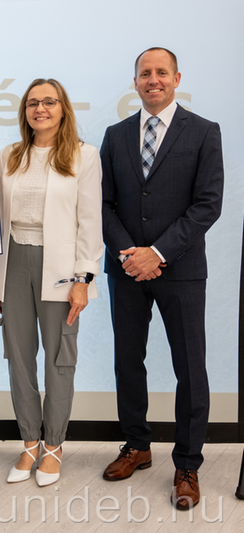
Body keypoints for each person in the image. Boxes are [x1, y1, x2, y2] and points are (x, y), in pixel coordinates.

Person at [100, 47, 223, 510]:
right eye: (145, 73)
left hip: (181, 270)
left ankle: (187, 464)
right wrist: (130, 254)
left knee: (190, 367)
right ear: (135, 81)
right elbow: (102, 203)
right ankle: (137, 445)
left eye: (161, 73)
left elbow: (208, 205)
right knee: (127, 361)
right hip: (126, 268)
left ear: (176, 79)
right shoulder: (115, 135)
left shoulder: (204, 132)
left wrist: (158, 253)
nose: (153, 79)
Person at [0, 79, 102, 487]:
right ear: (25, 112)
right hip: (14, 261)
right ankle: (29, 443)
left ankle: (53, 446)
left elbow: (90, 222)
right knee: (19, 359)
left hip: (62, 268)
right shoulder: (10, 155)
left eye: (49, 101)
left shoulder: (84, 156)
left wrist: (83, 279)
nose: (41, 108)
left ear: (63, 108)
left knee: (59, 360)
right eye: (33, 102)